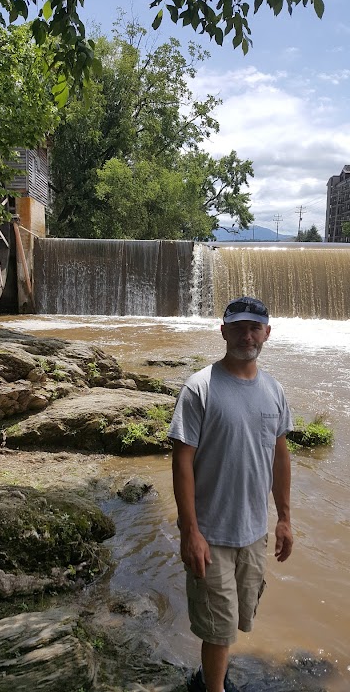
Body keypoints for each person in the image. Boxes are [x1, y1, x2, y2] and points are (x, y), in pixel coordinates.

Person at [168, 296, 293, 692]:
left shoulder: (273, 390)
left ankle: (209, 675)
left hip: (253, 533)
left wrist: (285, 519)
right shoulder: (200, 388)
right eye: (238, 327)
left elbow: (279, 455)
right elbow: (182, 461)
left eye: (255, 327)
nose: (247, 335)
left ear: (267, 334)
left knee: (238, 616)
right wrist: (191, 531)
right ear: (223, 331)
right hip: (211, 534)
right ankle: (213, 687)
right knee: (218, 627)